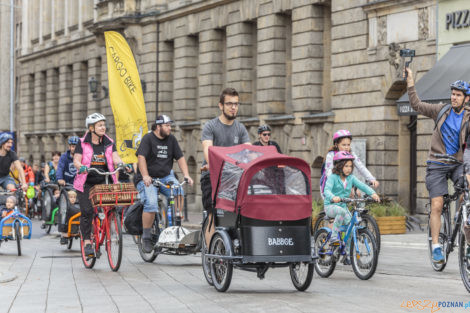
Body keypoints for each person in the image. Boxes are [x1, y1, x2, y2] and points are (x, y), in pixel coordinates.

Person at [405, 67, 470, 264]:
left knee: (467, 196)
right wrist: (410, 83)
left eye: (458, 95)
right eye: (453, 94)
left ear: (466, 98)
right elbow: (416, 104)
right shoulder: (441, 110)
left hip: (458, 163)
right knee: (437, 204)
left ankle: (465, 228)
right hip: (437, 164)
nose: (454, 98)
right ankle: (436, 247)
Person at [73, 113, 131, 257]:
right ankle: (87, 241)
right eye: (100, 125)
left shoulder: (109, 142)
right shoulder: (82, 142)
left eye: (104, 125)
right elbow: (76, 160)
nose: (103, 127)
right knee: (87, 212)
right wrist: (80, 166)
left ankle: (107, 226)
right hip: (86, 183)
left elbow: (115, 157)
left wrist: (123, 164)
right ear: (91, 128)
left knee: (114, 207)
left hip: (104, 180)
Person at [135, 114, 194, 253]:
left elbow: (180, 158)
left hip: (165, 176)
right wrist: (145, 176)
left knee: (179, 191)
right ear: (158, 126)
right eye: (167, 126)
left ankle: (176, 222)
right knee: (151, 202)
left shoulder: (171, 139)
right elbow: (141, 157)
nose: (170, 128)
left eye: (170, 125)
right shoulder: (148, 139)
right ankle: (147, 236)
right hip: (148, 178)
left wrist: (186, 175)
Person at [200, 87, 251, 244]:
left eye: (236, 104)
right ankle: (210, 257)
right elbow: (208, 152)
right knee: (213, 214)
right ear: (220, 106)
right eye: (229, 104)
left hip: (233, 178)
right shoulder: (211, 127)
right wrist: (213, 165)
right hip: (212, 176)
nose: (233, 107)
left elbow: (248, 153)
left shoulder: (241, 129)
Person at [323, 151, 380, 264]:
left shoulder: (351, 178)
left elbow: (362, 185)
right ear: (339, 166)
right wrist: (333, 197)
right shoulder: (333, 178)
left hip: (343, 207)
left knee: (351, 226)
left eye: (350, 166)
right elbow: (326, 190)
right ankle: (334, 238)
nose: (349, 169)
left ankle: (347, 254)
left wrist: (372, 193)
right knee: (341, 212)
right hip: (331, 206)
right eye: (346, 166)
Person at [321, 130, 379, 196]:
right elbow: (329, 172)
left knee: (357, 194)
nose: (346, 147)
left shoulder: (351, 154)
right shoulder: (331, 155)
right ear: (336, 144)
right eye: (344, 145)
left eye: (348, 145)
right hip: (330, 184)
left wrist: (371, 179)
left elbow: (361, 167)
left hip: (345, 181)